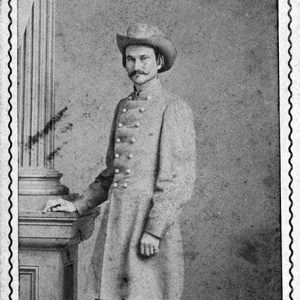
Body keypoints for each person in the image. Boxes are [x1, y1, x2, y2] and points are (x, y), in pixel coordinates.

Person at [44, 23, 196, 300]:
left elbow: (177, 180)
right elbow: (111, 174)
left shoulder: (173, 107)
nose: (136, 66)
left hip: (147, 224)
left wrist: (155, 230)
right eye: (130, 59)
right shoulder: (122, 106)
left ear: (159, 61)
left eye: (144, 58)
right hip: (117, 222)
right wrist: (77, 205)